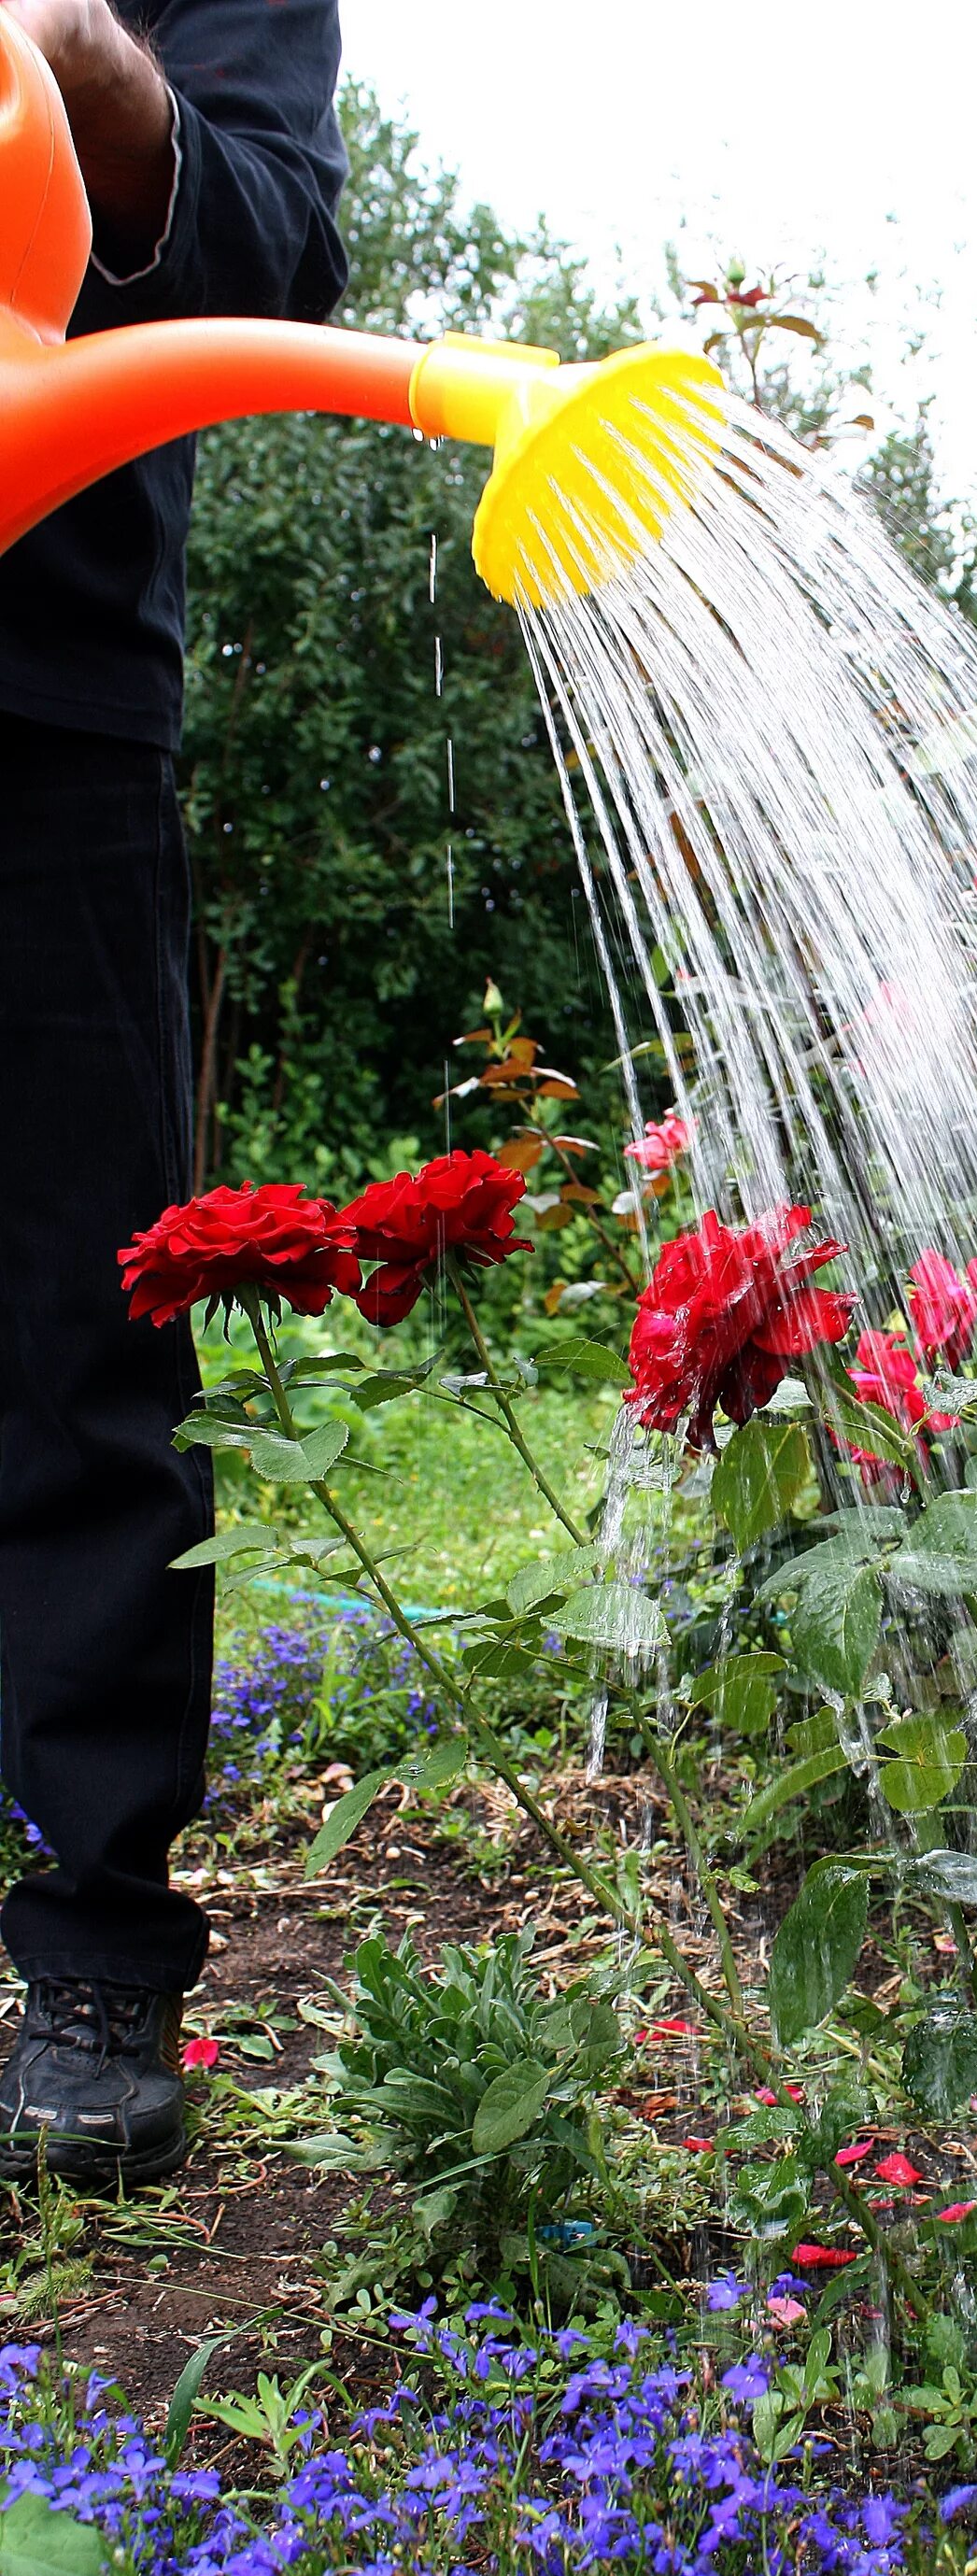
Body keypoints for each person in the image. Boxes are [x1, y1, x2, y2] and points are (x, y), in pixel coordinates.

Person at [0, 0, 347, 2184]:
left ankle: (97, 1948)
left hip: (45, 691)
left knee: (81, 1332)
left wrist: (99, 86)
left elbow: (276, 257)